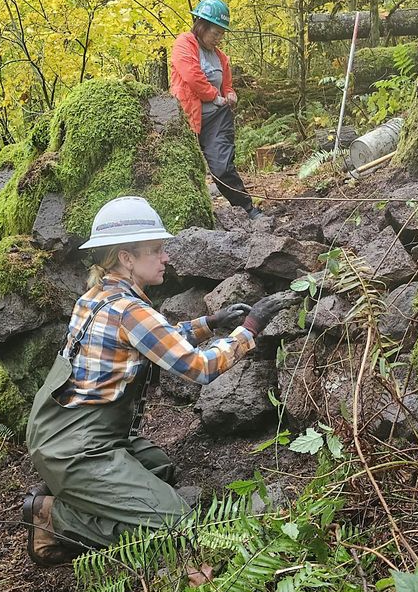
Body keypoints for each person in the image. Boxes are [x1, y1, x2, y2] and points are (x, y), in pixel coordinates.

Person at [22, 196, 295, 566]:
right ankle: (55, 515)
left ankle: (76, 494)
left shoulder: (99, 296)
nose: (166, 257)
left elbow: (153, 340)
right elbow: (199, 368)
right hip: (77, 450)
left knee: (159, 468)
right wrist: (250, 328)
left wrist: (210, 323)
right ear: (126, 258)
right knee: (177, 525)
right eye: (156, 250)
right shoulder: (130, 310)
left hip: (60, 434)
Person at [170, 0, 262, 218]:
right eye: (215, 33)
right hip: (185, 118)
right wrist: (215, 96)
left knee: (222, 168)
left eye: (222, 34)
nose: (219, 38)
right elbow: (192, 76)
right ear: (201, 26)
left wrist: (230, 95)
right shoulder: (184, 43)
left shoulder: (221, 57)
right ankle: (189, 217)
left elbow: (227, 86)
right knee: (184, 171)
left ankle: (247, 209)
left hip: (217, 120)